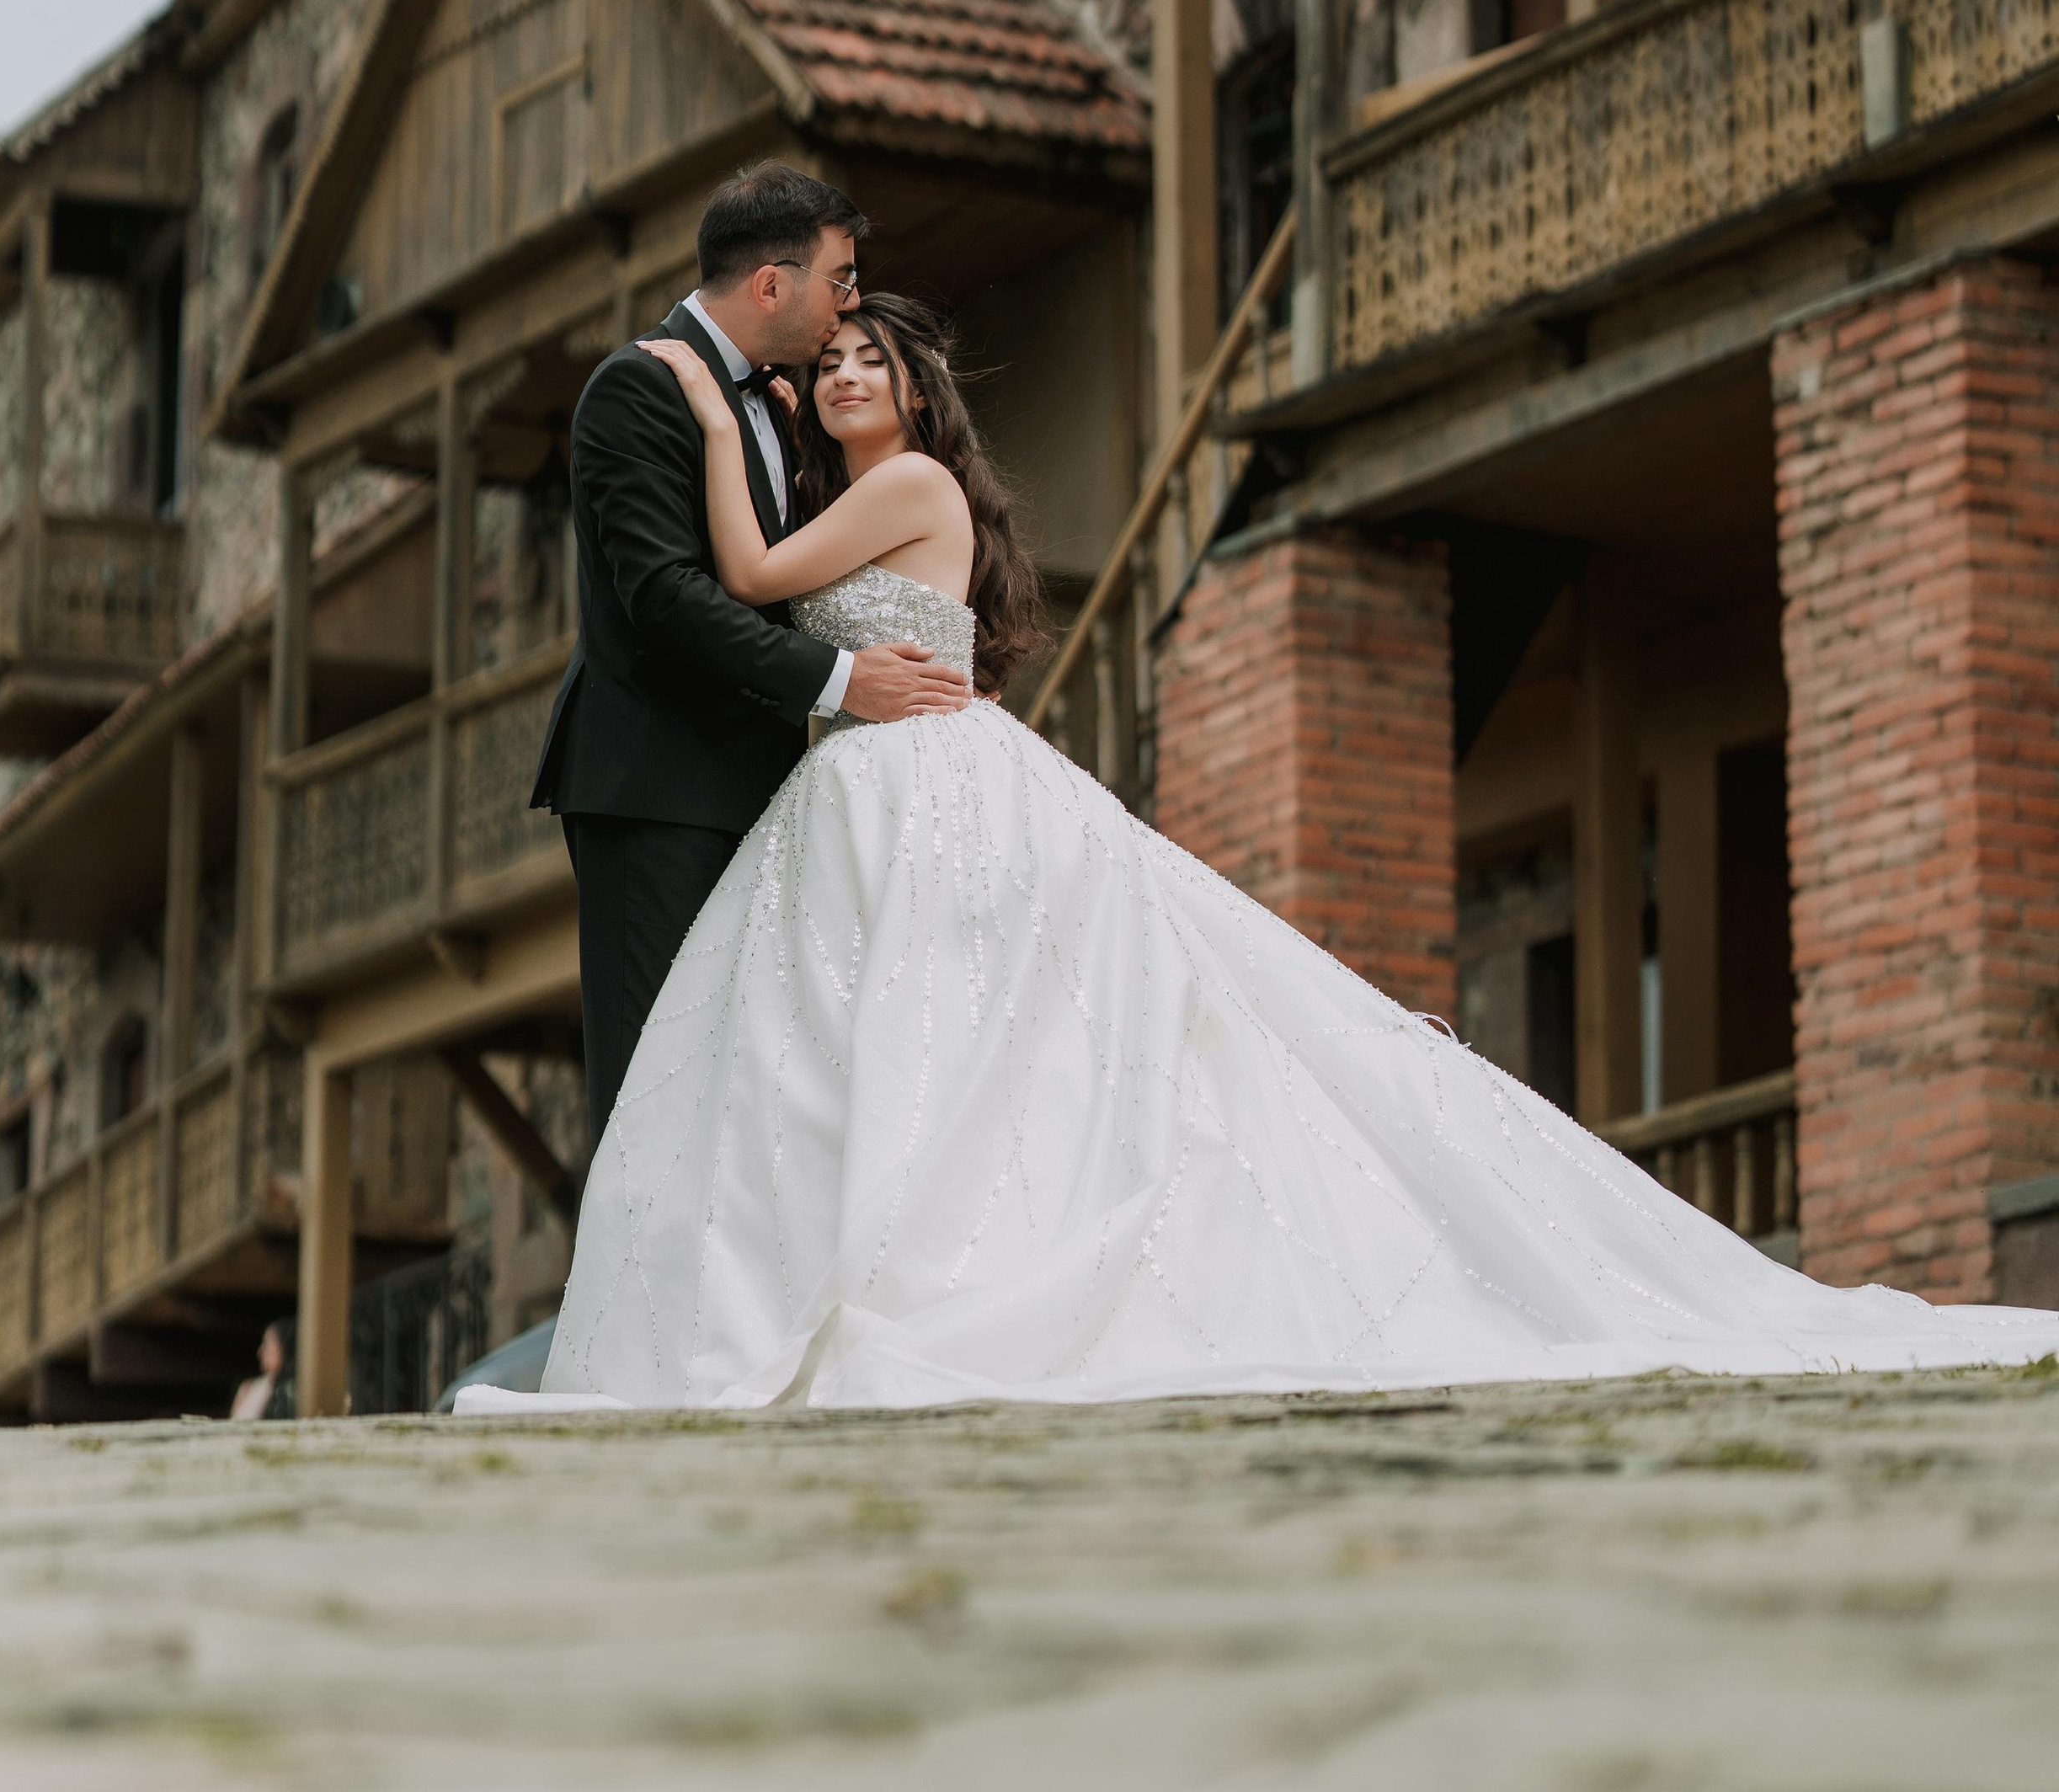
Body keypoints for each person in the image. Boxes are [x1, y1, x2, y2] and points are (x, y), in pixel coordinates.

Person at [469, 295, 2059, 1415]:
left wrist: (692, 396)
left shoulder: (905, 481)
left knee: (965, 1041)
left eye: (868, 362)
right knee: (917, 1053)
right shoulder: (858, 484)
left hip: (916, 789)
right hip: (867, 789)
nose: (841, 379)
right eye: (834, 364)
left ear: (917, 396)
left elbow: (744, 570)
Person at [529, 165, 969, 1148]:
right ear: (773, 284)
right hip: (657, 788)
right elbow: (665, 598)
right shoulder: (638, 388)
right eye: (839, 280)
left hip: (772, 794)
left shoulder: (782, 405)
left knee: (752, 1098)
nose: (847, 306)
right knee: (657, 1089)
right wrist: (849, 682)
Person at [231, 1318, 296, 1421]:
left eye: (268, 1345)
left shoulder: (293, 1391)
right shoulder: (248, 1387)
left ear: (285, 1348)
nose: (260, 1352)